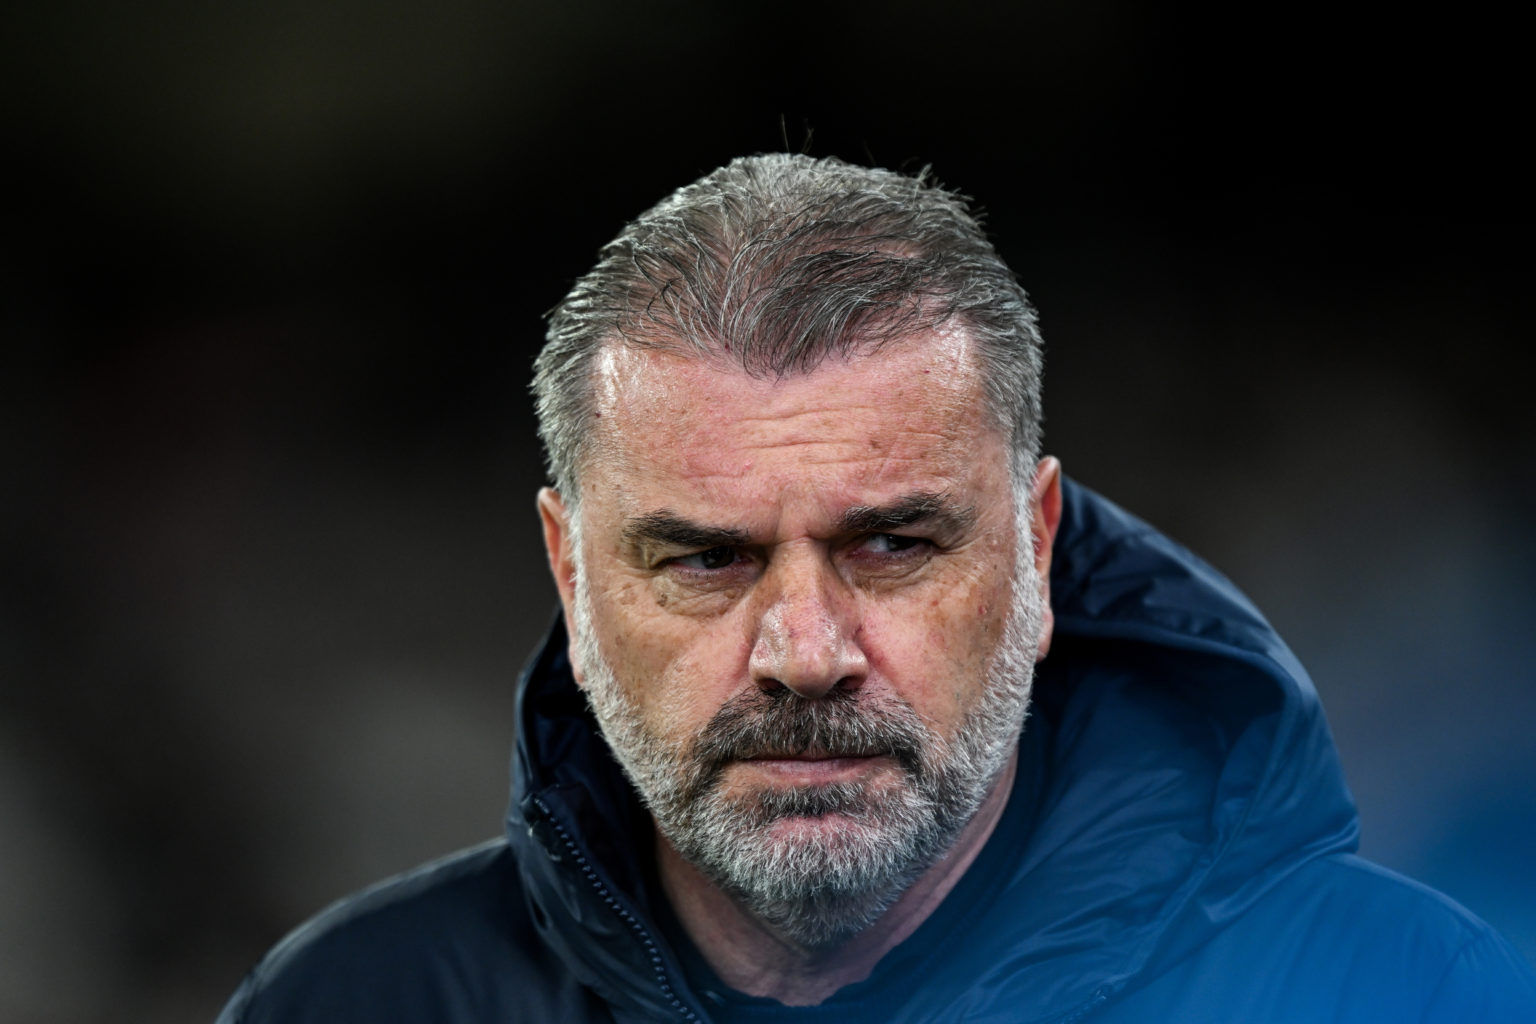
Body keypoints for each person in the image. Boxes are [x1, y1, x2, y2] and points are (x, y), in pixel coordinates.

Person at [217, 154, 1536, 1023]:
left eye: (893, 546)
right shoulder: (356, 1005)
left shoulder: (1403, 992)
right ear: (570, 573)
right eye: (707, 558)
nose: (804, 649)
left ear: (1038, 545)